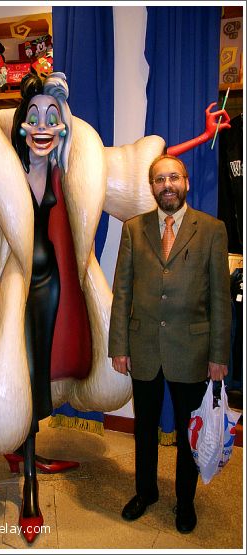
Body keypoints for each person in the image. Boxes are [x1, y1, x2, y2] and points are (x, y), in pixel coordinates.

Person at [0, 72, 230, 542]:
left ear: (63, 124)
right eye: (35, 117)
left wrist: (204, 137)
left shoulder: (73, 167)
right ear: (23, 125)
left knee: (46, 375)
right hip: (16, 292)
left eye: (53, 116)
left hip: (58, 290)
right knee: (21, 372)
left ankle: (30, 449)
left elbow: (143, 172)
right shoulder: (0, 171)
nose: (44, 126)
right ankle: (27, 482)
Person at [108, 153, 231, 534]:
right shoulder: (133, 229)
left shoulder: (211, 229)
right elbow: (122, 290)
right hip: (143, 346)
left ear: (186, 182)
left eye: (173, 177)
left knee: (186, 429)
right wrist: (119, 346)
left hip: (191, 351)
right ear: (152, 187)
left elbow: (219, 300)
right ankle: (146, 492)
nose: (167, 185)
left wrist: (218, 356)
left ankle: (185, 501)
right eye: (160, 179)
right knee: (144, 426)